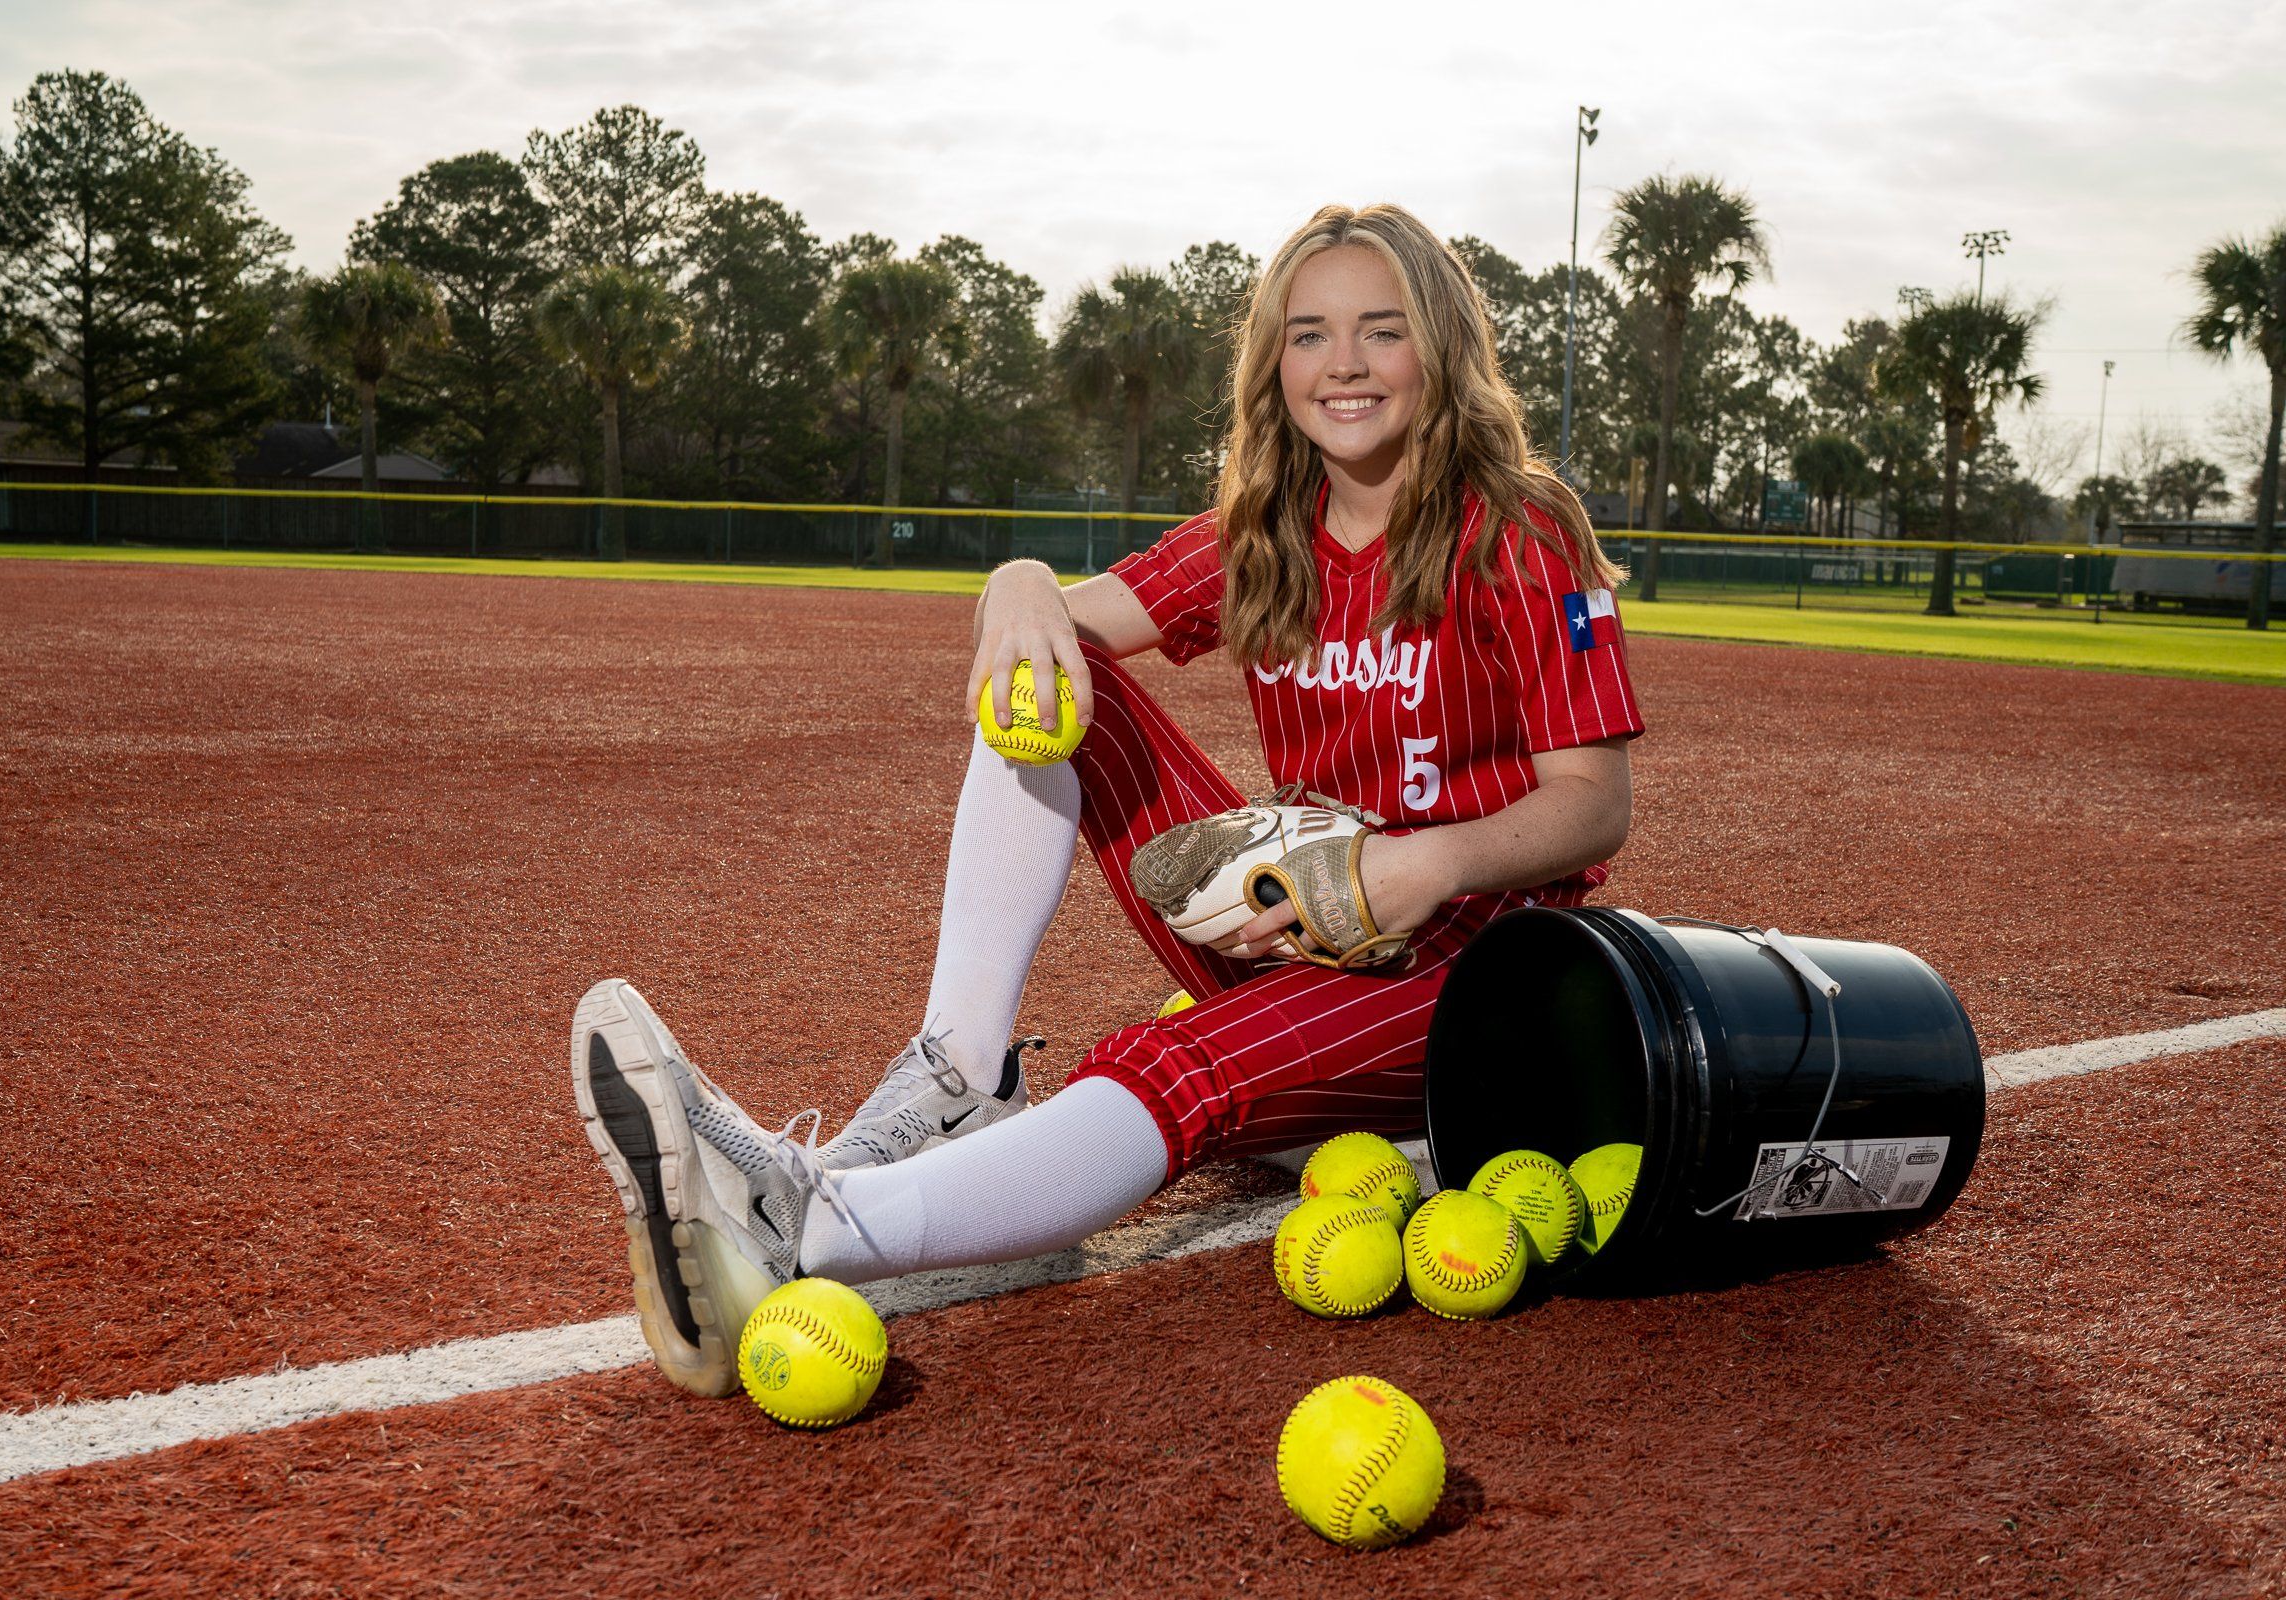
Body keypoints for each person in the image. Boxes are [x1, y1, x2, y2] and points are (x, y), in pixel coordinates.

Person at [569, 202, 1644, 1398]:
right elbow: (1063, 617)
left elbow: (1595, 804)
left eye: (1380, 331)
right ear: (1272, 364)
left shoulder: (1520, 528)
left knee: (1167, 1061)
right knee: (1046, 688)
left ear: (1439, 349)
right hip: (1301, 926)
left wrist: (1421, 864)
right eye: (1309, 334)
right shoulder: (1266, 531)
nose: (1342, 363)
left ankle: (799, 1228)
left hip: (1467, 977)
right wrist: (1019, 583)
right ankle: (961, 1074)